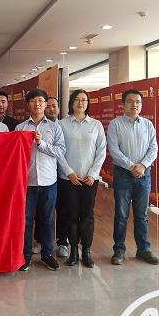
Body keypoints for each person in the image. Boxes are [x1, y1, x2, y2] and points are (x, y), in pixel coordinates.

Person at [15, 89, 66, 272]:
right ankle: (25, 255)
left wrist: (41, 144)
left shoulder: (55, 127)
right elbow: (15, 155)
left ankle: (47, 254)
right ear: (28, 104)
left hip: (48, 181)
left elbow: (60, 151)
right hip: (26, 183)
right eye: (33, 101)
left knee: (47, 220)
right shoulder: (20, 128)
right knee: (26, 221)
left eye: (40, 101)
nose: (37, 104)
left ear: (45, 104)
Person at [108, 88, 159, 266]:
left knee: (142, 215)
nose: (134, 105)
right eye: (130, 101)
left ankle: (143, 249)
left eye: (138, 102)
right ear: (123, 104)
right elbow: (114, 150)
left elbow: (153, 148)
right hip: (123, 174)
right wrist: (132, 166)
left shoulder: (148, 125)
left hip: (144, 174)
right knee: (121, 214)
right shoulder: (115, 124)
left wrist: (143, 165)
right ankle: (119, 250)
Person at [57, 89, 106, 268]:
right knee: (71, 215)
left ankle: (86, 251)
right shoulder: (62, 124)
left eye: (84, 100)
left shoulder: (96, 125)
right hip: (68, 178)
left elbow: (101, 151)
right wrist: (69, 172)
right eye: (77, 99)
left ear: (88, 103)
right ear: (71, 102)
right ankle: (73, 251)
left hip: (89, 179)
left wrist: (93, 174)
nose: (80, 103)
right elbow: (58, 151)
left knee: (87, 216)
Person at [41, 96, 69, 259]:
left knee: (63, 209)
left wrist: (68, 171)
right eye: (49, 106)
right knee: (43, 211)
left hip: (64, 175)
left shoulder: (63, 126)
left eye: (54, 106)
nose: (52, 109)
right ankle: (41, 241)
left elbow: (62, 152)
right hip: (45, 175)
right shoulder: (38, 127)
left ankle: (62, 242)